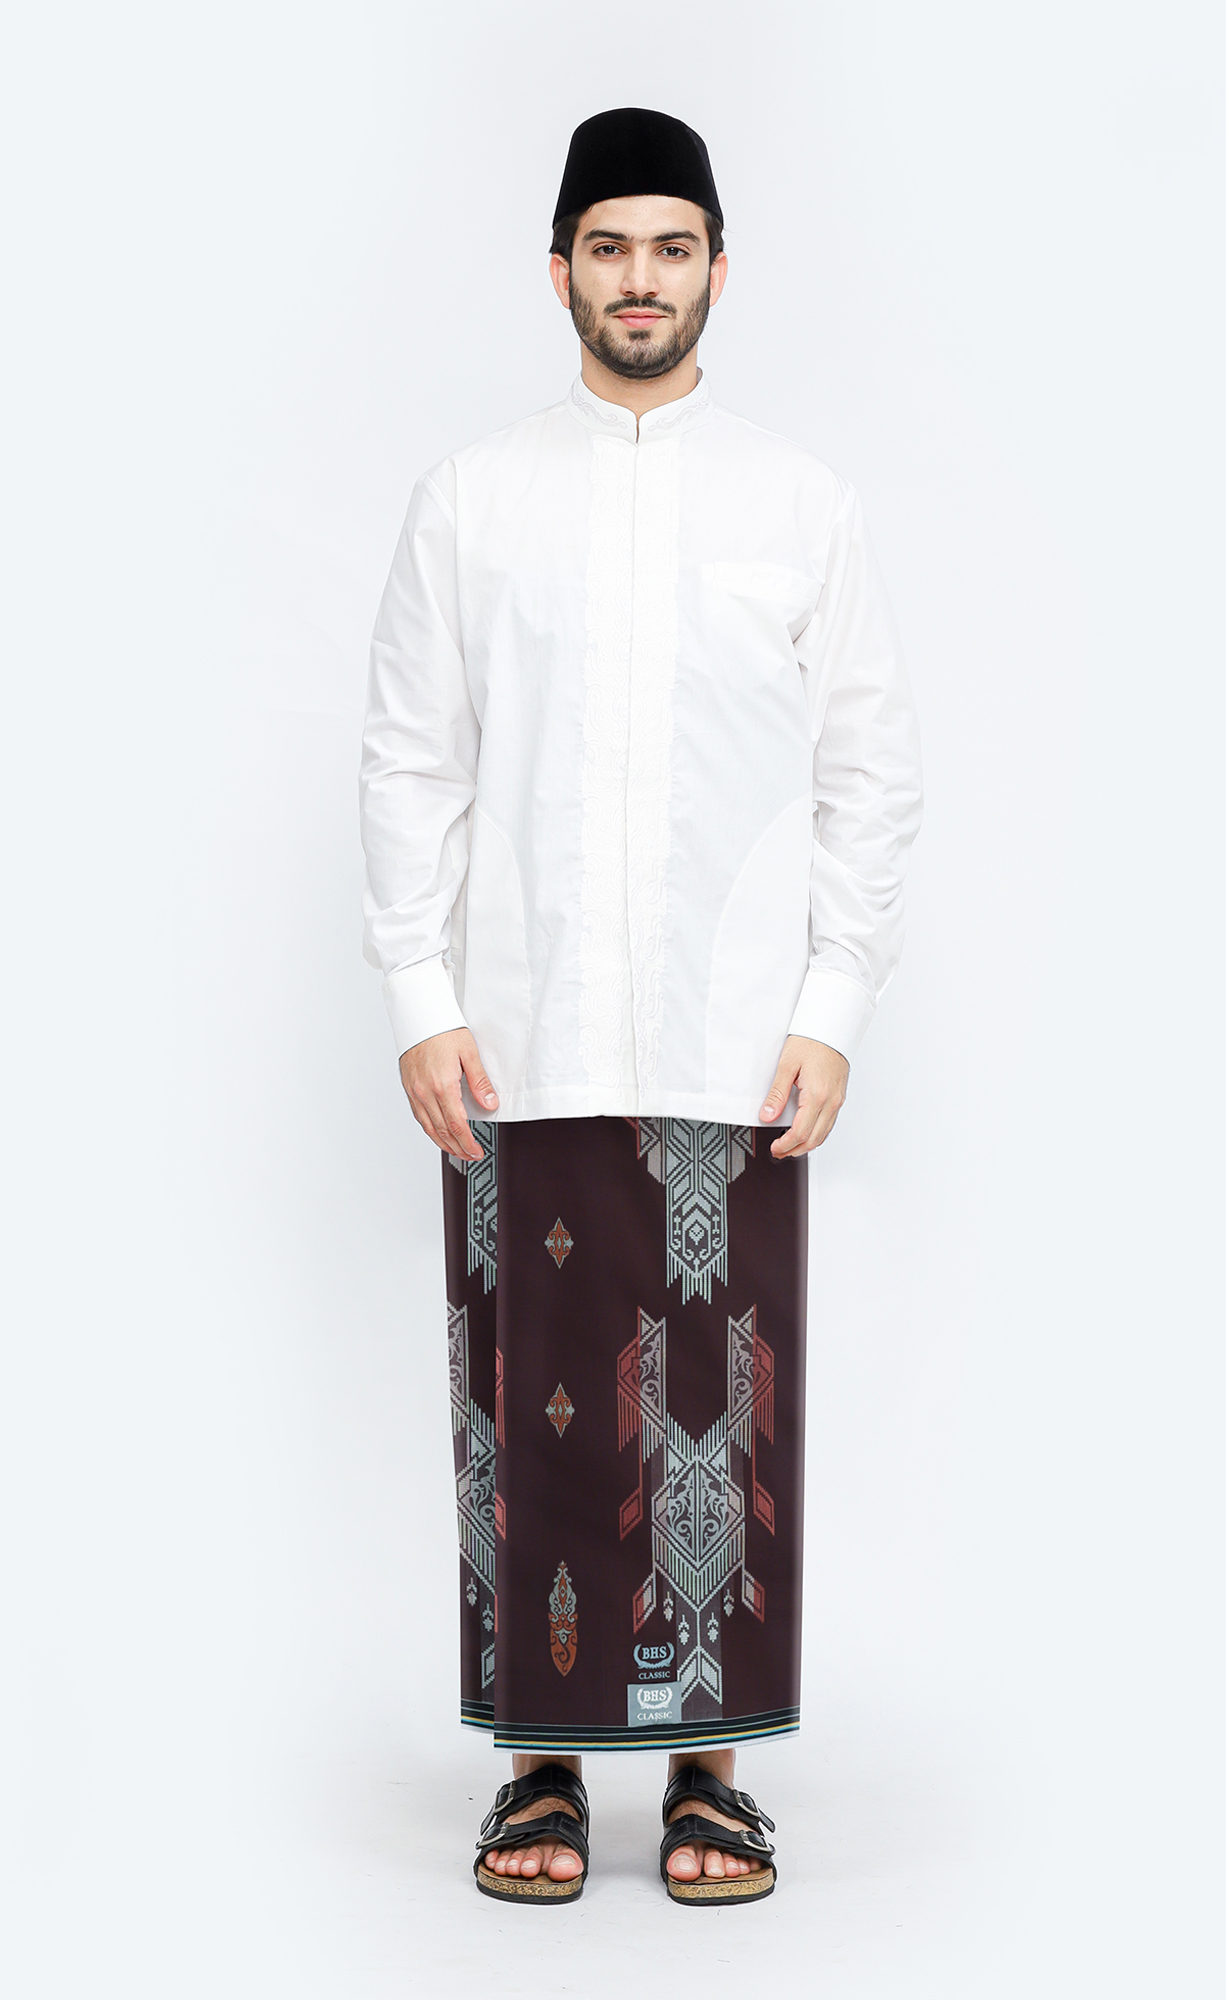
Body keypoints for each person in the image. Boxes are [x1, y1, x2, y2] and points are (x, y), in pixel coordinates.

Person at [358, 106, 921, 1907]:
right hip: (517, 1034)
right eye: (609, 246)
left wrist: (832, 1000)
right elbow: (411, 759)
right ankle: (535, 1763)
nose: (641, 278)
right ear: (559, 271)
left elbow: (870, 772)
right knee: (521, 1396)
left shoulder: (798, 504)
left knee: (717, 1408)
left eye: (673, 247)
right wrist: (421, 989)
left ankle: (709, 1772)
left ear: (719, 270)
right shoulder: (473, 500)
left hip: (732, 1040)